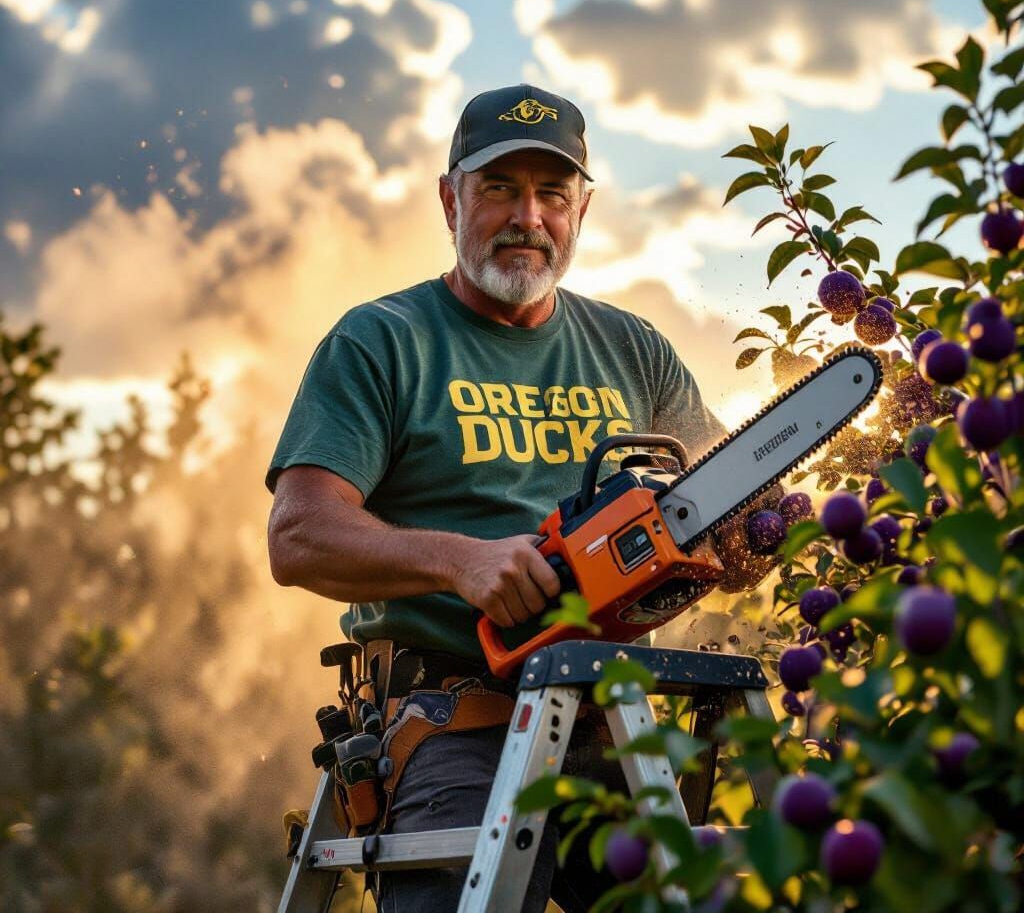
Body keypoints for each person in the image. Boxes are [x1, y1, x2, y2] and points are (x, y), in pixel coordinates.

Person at [266, 84, 775, 911]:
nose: (526, 216)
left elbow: (730, 499)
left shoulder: (632, 348)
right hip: (454, 714)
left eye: (552, 194)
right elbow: (298, 536)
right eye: (499, 187)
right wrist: (459, 561)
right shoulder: (384, 340)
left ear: (582, 208)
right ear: (450, 198)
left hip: (615, 716)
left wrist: (763, 528)